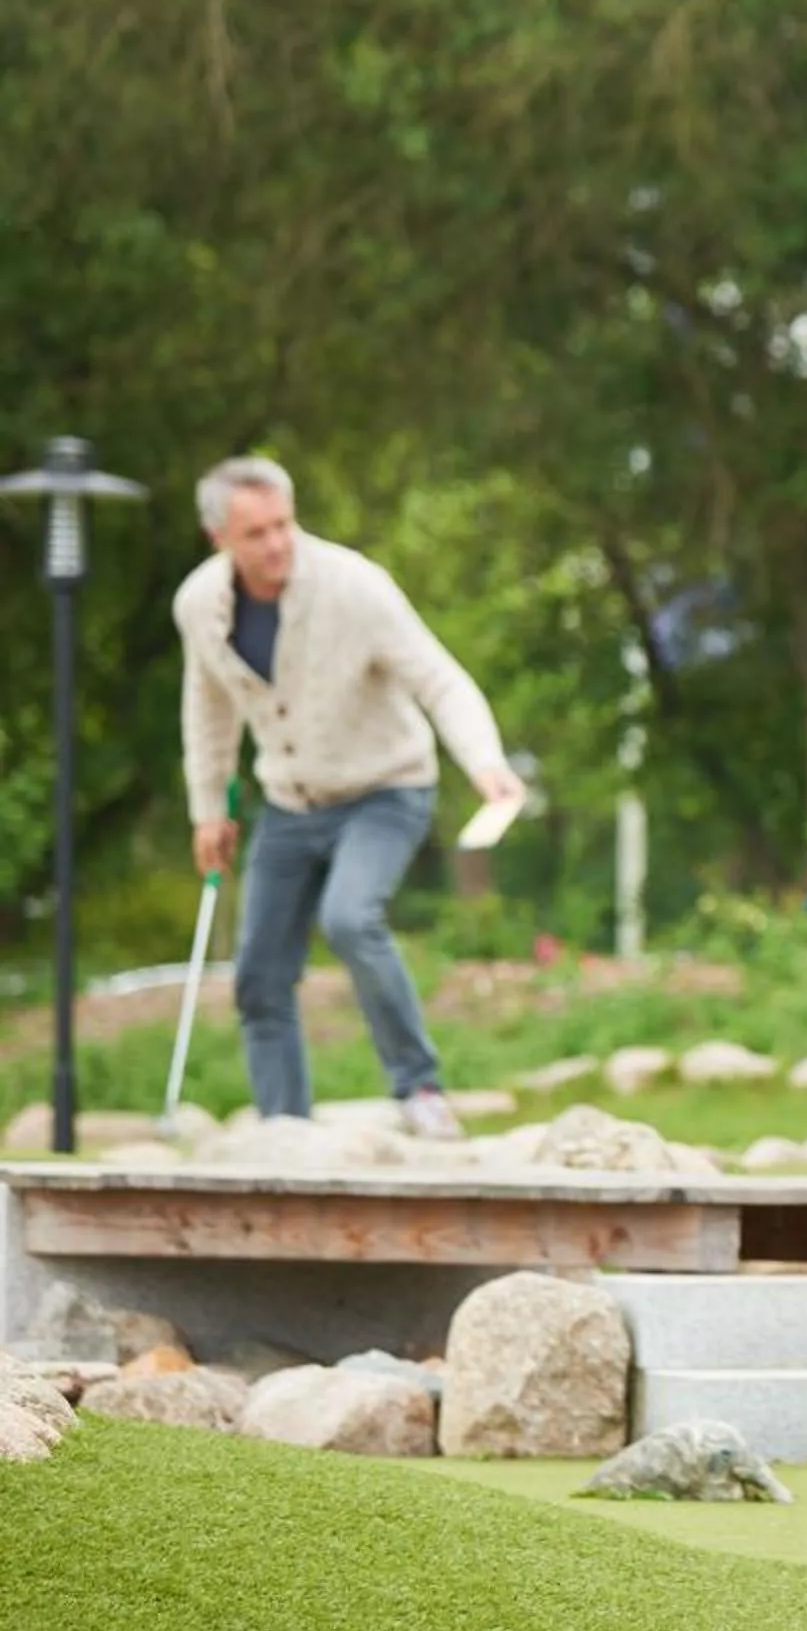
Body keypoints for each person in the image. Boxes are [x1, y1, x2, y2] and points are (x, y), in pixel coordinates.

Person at [174, 456, 525, 1141]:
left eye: (284, 524)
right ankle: (284, 1130)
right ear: (219, 538)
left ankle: (420, 1088)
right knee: (259, 975)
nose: (277, 543)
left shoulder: (355, 586)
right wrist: (208, 811)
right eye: (256, 533)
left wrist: (486, 762)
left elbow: (439, 679)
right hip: (290, 801)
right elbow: (207, 710)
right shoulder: (198, 605)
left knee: (349, 918)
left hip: (385, 790)